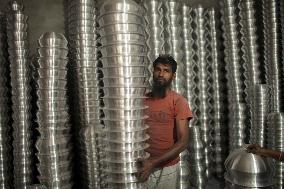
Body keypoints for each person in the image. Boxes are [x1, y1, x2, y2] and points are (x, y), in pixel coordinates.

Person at [138, 54, 193, 189]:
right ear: (153, 72)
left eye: (166, 70)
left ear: (173, 76)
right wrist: (147, 163)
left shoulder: (178, 102)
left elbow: (183, 142)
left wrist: (153, 163)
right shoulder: (142, 100)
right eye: (158, 69)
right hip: (142, 166)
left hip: (166, 170)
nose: (161, 74)